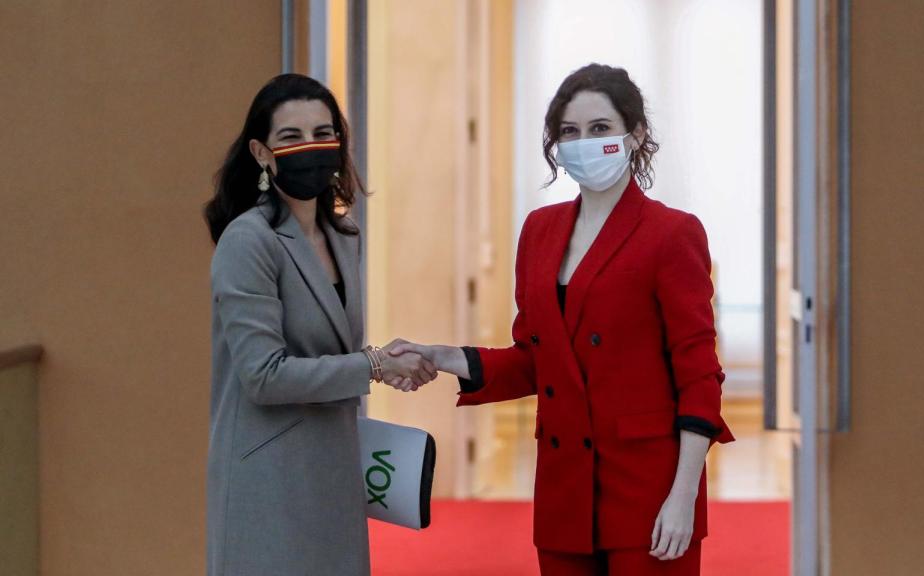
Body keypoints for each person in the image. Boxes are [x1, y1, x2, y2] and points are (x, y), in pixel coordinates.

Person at [391, 63, 734, 575]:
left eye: (600, 129)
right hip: (564, 487)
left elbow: (699, 374)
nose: (583, 143)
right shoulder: (539, 231)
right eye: (569, 132)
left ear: (636, 135)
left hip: (649, 489)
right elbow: (534, 360)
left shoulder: (671, 233)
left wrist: (684, 495)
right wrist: (442, 357)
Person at [203, 73, 436, 576]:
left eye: (322, 134)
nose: (310, 148)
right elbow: (263, 376)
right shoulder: (248, 241)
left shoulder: (342, 233)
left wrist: (380, 360)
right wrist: (373, 365)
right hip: (267, 481)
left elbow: (328, 345)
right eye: (291, 137)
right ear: (262, 153)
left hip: (333, 467)